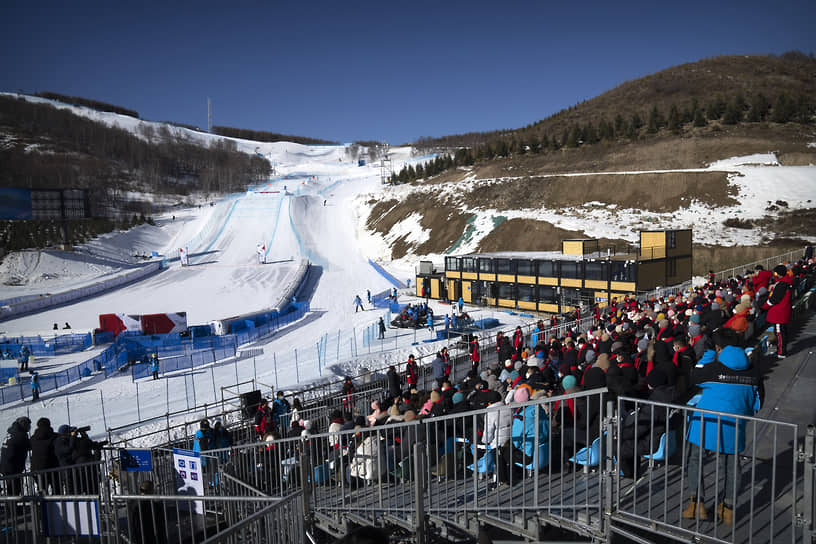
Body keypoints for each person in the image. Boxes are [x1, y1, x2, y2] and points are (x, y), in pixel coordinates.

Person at [682, 328, 761, 525]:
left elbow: (694, 376)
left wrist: (708, 355)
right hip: (734, 426)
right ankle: (728, 509)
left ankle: (696, 504)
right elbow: (757, 404)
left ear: (718, 348)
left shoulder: (713, 369)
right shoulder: (754, 373)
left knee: (695, 460)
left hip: (705, 424)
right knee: (732, 466)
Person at [762, 265, 793, 358]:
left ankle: (781, 352)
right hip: (782, 311)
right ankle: (780, 350)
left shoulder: (782, 285)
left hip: (780, 312)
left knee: (780, 332)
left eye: (775, 273)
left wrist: (764, 306)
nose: (775, 275)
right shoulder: (785, 282)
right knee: (780, 331)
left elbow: (774, 299)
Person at [0, 416, 31, 496]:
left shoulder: (11, 432)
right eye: (28, 425)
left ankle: (12, 506)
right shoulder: (21, 434)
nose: (29, 428)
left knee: (12, 489)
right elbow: (29, 445)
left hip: (5, 466)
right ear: (24, 425)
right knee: (14, 491)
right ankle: (12, 507)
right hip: (13, 467)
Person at [30, 417, 60, 493]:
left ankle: (42, 504)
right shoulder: (54, 436)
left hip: (36, 470)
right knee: (56, 489)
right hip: (51, 468)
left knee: (42, 491)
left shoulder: (33, 438)